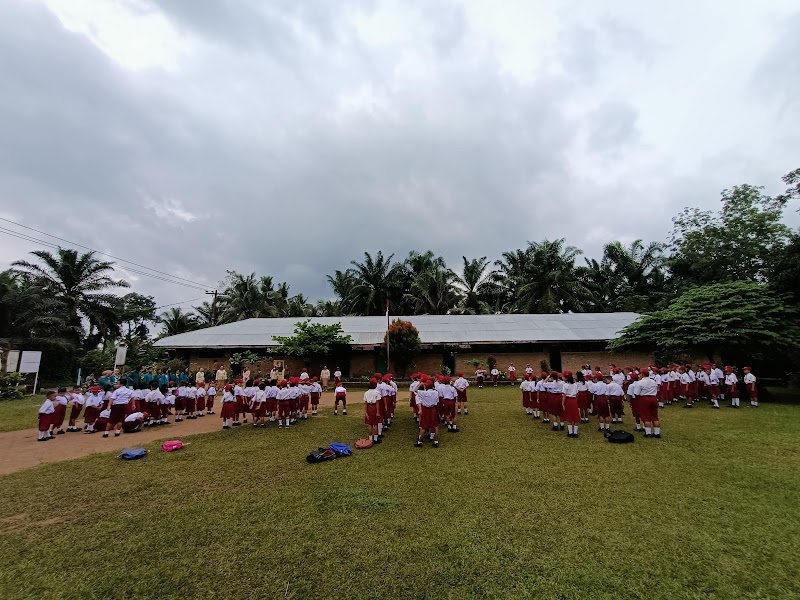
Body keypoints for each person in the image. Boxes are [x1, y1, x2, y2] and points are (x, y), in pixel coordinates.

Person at [631, 370, 661, 438]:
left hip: (644, 399)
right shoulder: (653, 381)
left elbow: (636, 393)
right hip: (653, 398)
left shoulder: (640, 382)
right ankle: (657, 433)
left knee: (646, 416)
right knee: (655, 416)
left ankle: (648, 433)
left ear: (642, 374)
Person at [415, 378, 440, 448]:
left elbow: (415, 391)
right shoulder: (436, 392)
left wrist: (420, 384)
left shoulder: (423, 393)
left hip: (426, 410)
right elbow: (437, 401)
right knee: (435, 426)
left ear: (425, 386)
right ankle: (436, 441)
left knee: (423, 426)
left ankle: (419, 441)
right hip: (433, 409)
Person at [561, 371, 580, 438]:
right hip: (574, 400)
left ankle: (570, 432)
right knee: (575, 416)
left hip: (568, 400)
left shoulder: (565, 385)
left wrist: (563, 403)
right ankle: (575, 433)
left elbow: (564, 395)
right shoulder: (575, 384)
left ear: (566, 378)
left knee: (569, 416)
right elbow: (577, 394)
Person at [363, 378, 382, 444]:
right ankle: (376, 439)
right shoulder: (377, 392)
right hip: (374, 407)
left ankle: (370, 439)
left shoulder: (366, 393)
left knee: (370, 424)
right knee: (375, 424)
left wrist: (366, 412)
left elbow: (365, 403)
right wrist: (377, 412)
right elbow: (377, 403)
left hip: (369, 408)